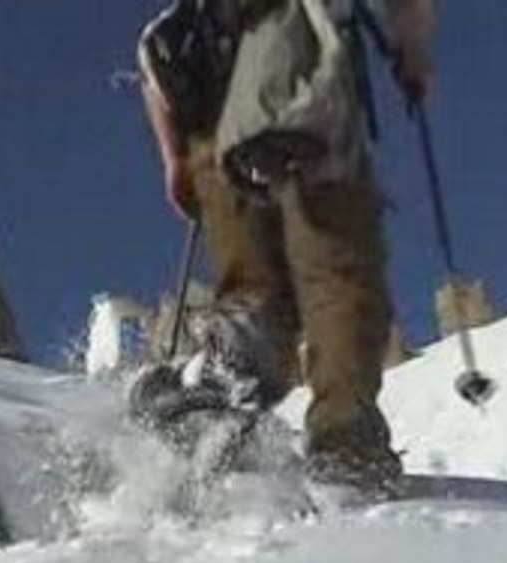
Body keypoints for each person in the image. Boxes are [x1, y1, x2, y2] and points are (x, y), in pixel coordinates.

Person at [135, 0, 436, 496]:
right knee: (339, 277)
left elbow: (154, 54)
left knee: (253, 289)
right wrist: (413, 49)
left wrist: (176, 159)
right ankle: (347, 449)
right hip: (304, 84)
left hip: (212, 122)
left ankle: (218, 397)